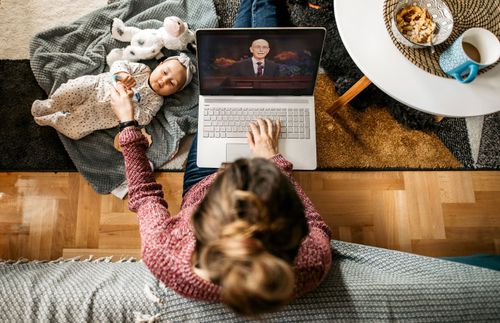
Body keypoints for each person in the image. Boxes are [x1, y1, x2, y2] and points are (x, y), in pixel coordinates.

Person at [111, 0, 332, 317]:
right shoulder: (311, 263)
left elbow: (143, 194)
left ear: (199, 221)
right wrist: (274, 163)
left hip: (202, 179)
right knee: (268, 81)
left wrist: (127, 123)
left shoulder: (164, 255)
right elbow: (315, 225)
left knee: (228, 88)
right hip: (262, 165)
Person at [31, 53, 194, 140]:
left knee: (74, 130)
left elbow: (144, 119)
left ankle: (53, 120)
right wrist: (122, 75)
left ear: (174, 92)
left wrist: (131, 104)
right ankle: (50, 105)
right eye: (165, 72)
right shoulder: (142, 70)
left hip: (100, 115)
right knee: (69, 91)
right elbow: (118, 64)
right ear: (159, 65)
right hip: (95, 88)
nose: (163, 80)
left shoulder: (156, 100)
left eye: (171, 83)